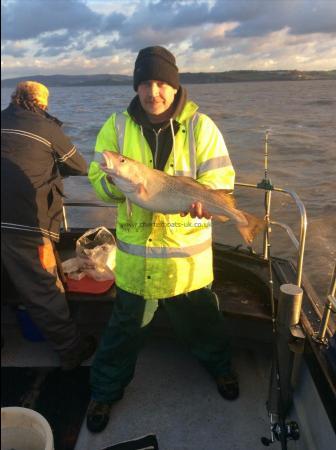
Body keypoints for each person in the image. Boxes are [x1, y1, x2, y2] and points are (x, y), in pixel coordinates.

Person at [86, 46, 239, 433]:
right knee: (124, 331)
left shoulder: (202, 127)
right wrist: (113, 180)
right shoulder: (116, 126)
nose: (152, 92)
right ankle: (104, 391)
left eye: (160, 83)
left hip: (187, 263)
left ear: (174, 85)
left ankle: (221, 370)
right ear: (136, 87)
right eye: (144, 83)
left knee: (203, 323)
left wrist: (209, 204)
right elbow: (97, 178)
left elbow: (222, 181)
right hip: (137, 263)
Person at [1, 81, 96, 370]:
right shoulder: (47, 128)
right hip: (26, 225)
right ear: (42, 104)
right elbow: (80, 166)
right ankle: (71, 350)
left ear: (14, 99)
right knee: (44, 289)